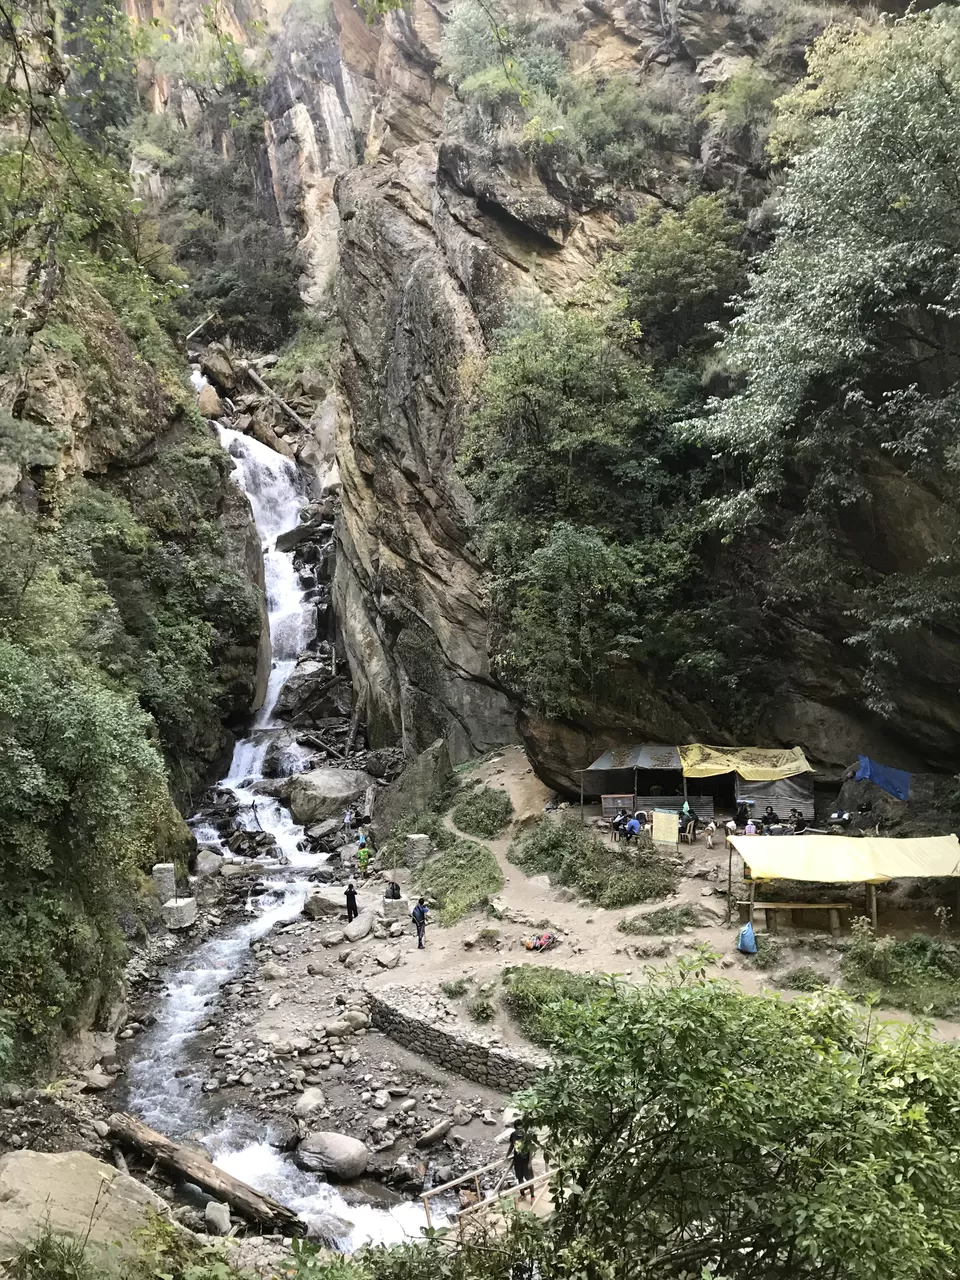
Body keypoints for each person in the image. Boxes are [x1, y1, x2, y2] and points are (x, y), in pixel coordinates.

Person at [508, 1121, 535, 1200]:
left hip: (526, 1160)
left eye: (521, 1128)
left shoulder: (526, 1135)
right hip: (517, 1160)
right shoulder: (513, 1135)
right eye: (518, 1129)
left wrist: (530, 1162)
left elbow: (531, 1149)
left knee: (529, 1179)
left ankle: (532, 1196)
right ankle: (522, 1194)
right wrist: (506, 1156)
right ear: (515, 1129)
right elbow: (511, 1146)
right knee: (519, 1178)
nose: (520, 1130)